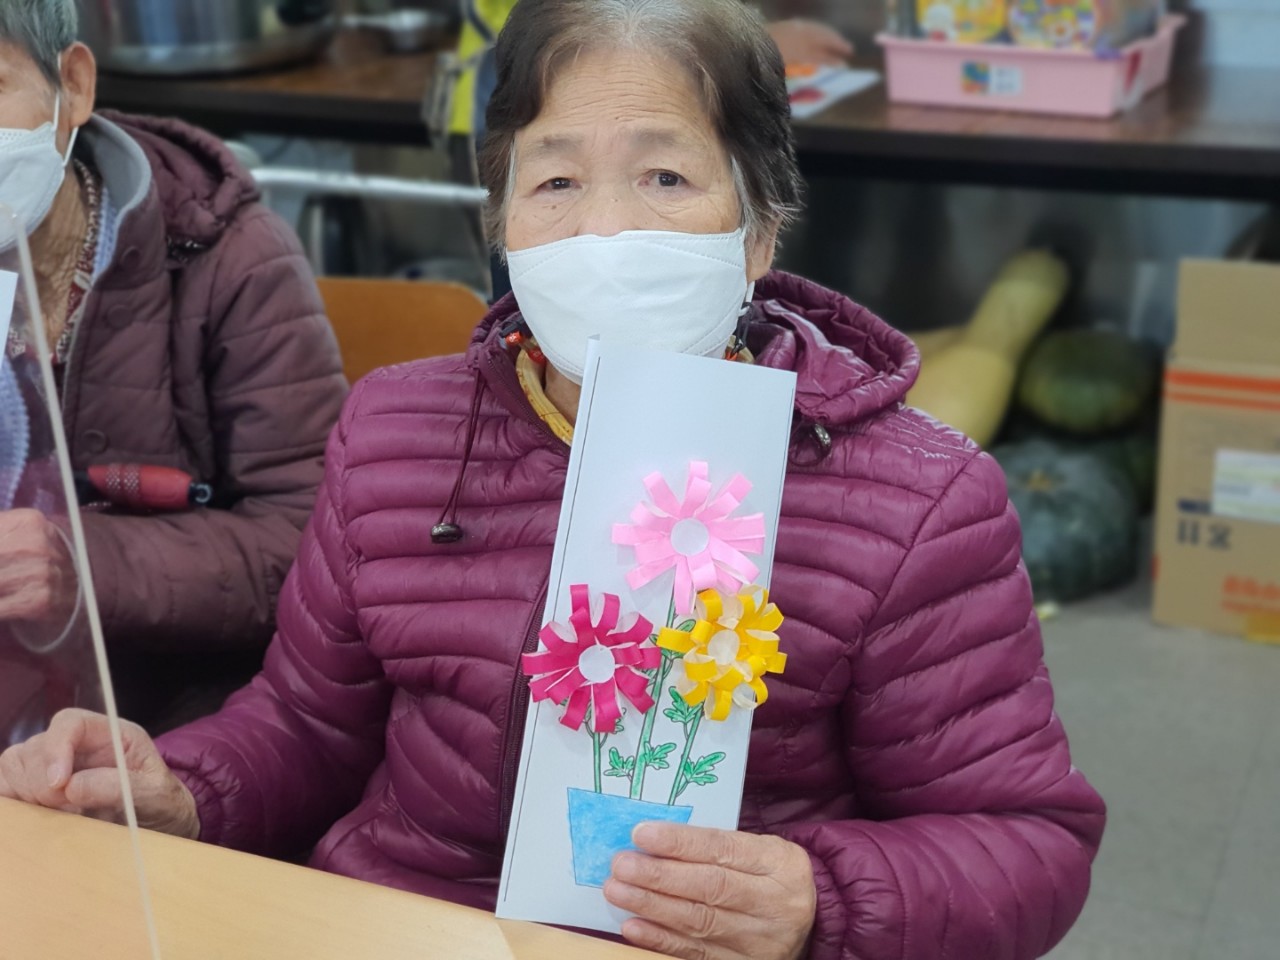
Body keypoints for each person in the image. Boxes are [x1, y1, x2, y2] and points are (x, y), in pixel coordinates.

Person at [0, 2, 1105, 958]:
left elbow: (1026, 841)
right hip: (402, 924)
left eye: (665, 176)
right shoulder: (394, 433)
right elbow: (304, 724)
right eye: (556, 180)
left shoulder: (916, 499)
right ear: (504, 225)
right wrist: (178, 786)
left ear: (759, 230)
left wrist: (818, 900)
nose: (605, 231)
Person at [0, 0, 347, 734]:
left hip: (171, 721)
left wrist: (82, 562)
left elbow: (312, 546)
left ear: (73, 86)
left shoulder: (230, 261)